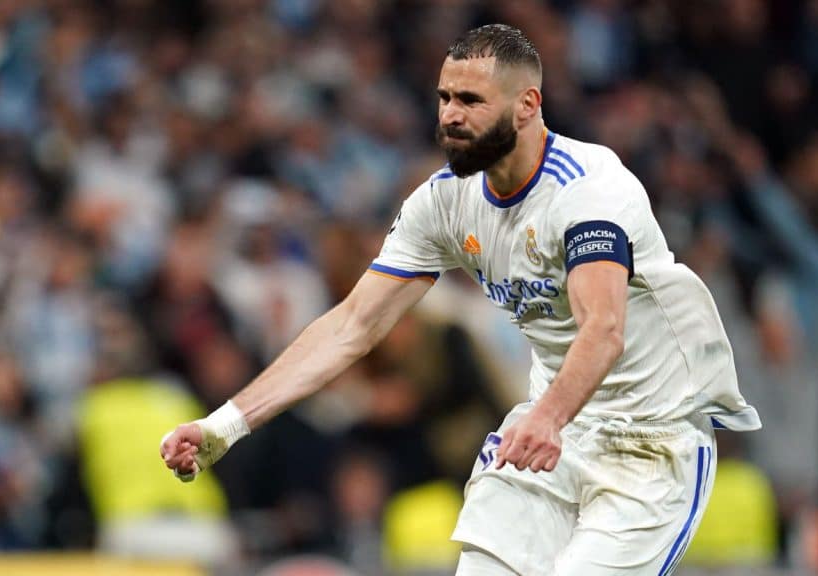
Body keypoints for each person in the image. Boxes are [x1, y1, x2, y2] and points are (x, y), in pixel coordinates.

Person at [160, 24, 760, 575]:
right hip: (551, 430)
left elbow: (602, 328)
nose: (450, 116)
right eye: (445, 98)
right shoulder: (442, 203)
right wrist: (224, 425)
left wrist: (548, 416)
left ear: (528, 106)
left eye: (470, 102)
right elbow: (351, 326)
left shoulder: (590, 189)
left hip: (650, 443)